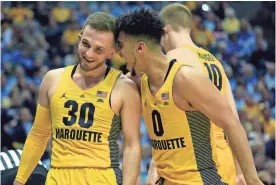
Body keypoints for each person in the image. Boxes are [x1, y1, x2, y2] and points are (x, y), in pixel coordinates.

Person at [116, 8, 263, 185]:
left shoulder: (183, 75)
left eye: (121, 46)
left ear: (140, 47)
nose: (118, 53)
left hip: (200, 176)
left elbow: (232, 123)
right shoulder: (141, 81)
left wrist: (253, 180)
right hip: (170, 176)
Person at [14, 12, 141, 185]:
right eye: (85, 44)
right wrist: (19, 181)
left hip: (102, 177)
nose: (88, 54)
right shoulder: (53, 79)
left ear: (112, 52)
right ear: (79, 37)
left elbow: (132, 146)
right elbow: (38, 134)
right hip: (58, 176)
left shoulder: (124, 87)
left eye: (99, 49)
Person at [145, 4, 246, 185]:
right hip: (225, 159)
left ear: (164, 30)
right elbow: (234, 120)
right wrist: (240, 172)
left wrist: (155, 166)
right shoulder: (214, 61)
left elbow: (162, 121)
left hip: (195, 162)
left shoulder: (172, 61)